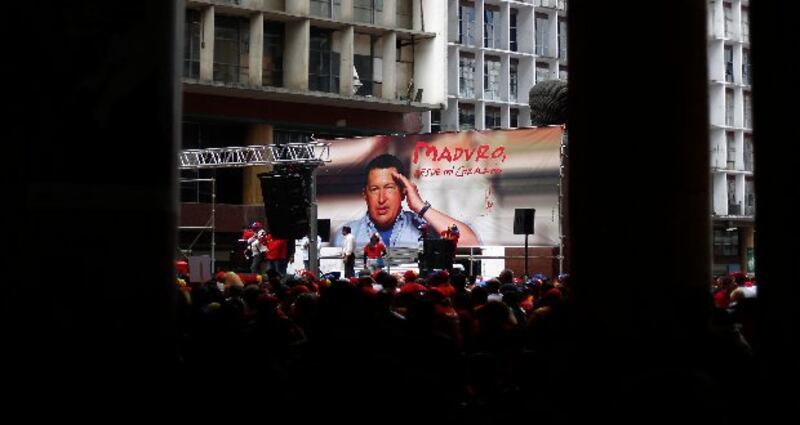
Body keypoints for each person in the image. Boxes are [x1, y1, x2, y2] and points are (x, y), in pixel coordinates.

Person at [333, 153, 479, 249]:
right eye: (375, 189)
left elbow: (471, 243)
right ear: (365, 195)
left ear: (403, 192)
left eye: (389, 188)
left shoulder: (426, 228)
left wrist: (421, 207)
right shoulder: (345, 235)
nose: (382, 199)